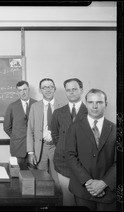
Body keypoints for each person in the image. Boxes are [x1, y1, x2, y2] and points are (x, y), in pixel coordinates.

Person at [66, 89, 116, 211]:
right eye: (91, 102)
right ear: (86, 103)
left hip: (108, 191)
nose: (94, 106)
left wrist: (103, 183)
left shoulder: (115, 129)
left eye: (99, 102)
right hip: (82, 189)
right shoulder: (75, 127)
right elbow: (70, 156)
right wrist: (89, 183)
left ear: (106, 104)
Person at [51, 78, 88, 206]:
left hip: (85, 165)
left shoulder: (90, 111)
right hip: (63, 163)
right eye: (68, 90)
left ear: (81, 90)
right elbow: (55, 135)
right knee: (67, 200)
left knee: (83, 200)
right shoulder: (58, 113)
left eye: (74, 89)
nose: (71, 93)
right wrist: (63, 148)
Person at [26, 78, 63, 187]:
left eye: (50, 87)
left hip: (57, 147)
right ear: (40, 90)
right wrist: (31, 152)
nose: (48, 90)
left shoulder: (63, 106)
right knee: (41, 180)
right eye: (44, 87)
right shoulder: (34, 107)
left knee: (58, 179)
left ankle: (58, 203)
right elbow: (30, 130)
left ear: (54, 89)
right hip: (40, 148)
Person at [3, 80, 37, 169]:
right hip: (18, 147)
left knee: (35, 173)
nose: (23, 92)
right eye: (20, 90)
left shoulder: (37, 104)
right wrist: (16, 136)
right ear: (17, 92)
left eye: (25, 89)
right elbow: (7, 127)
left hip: (35, 147)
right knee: (18, 174)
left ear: (29, 89)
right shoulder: (12, 106)